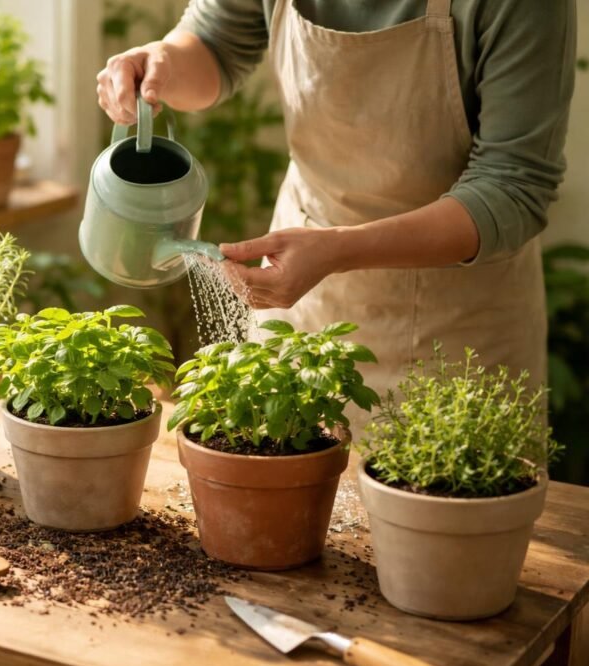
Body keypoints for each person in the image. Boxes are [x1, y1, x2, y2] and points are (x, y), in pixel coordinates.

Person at [97, 0, 576, 422]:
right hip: (303, 299)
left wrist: (339, 249)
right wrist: (160, 64)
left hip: (458, 326)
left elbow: (514, 187)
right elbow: (215, 43)